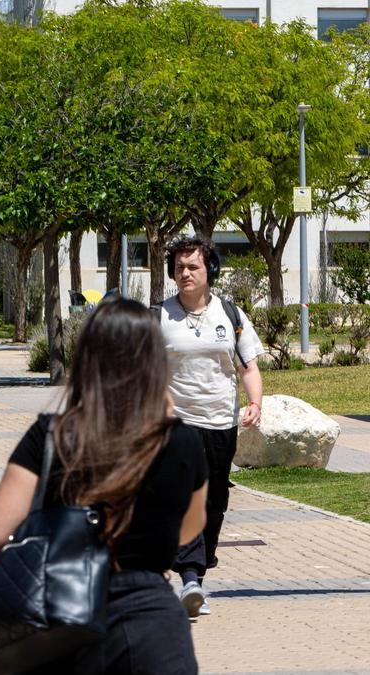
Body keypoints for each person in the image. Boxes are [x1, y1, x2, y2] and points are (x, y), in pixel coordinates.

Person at [0, 298, 207, 674]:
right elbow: (190, 530)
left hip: (62, 627)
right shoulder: (180, 442)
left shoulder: (50, 435)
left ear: (86, 359)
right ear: (154, 362)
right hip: (152, 629)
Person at [158, 235, 265, 618]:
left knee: (215, 502)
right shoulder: (159, 316)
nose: (185, 273)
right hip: (176, 424)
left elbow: (248, 367)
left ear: (209, 270)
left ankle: (195, 578)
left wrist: (255, 403)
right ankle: (189, 575)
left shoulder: (231, 315)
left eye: (192, 267)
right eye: (179, 267)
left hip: (221, 422)